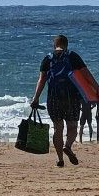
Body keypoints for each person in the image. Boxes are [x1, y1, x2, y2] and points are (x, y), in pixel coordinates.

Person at [29, 34, 86, 168]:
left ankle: (60, 159)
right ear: (66, 44)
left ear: (54, 45)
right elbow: (86, 75)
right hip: (71, 97)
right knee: (72, 126)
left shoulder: (47, 59)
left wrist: (36, 97)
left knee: (58, 128)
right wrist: (97, 91)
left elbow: (41, 80)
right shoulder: (72, 56)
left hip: (53, 99)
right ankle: (68, 146)